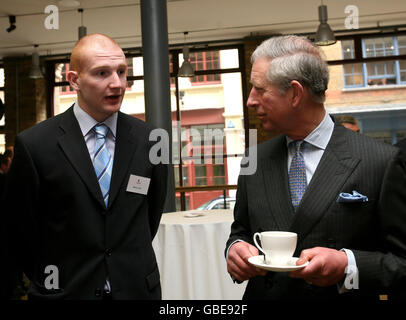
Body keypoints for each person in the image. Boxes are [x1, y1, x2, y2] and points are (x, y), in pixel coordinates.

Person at [226, 35, 406, 300]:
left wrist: (348, 265)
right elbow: (241, 230)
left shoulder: (380, 161)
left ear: (295, 93)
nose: (250, 100)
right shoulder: (254, 159)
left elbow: (401, 263)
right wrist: (236, 249)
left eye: (260, 90)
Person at [4, 33, 168, 300]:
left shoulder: (151, 141)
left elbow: (151, 215)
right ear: (74, 80)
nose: (117, 84)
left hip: (136, 290)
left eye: (121, 72)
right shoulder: (35, 145)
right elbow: (19, 231)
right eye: (102, 73)